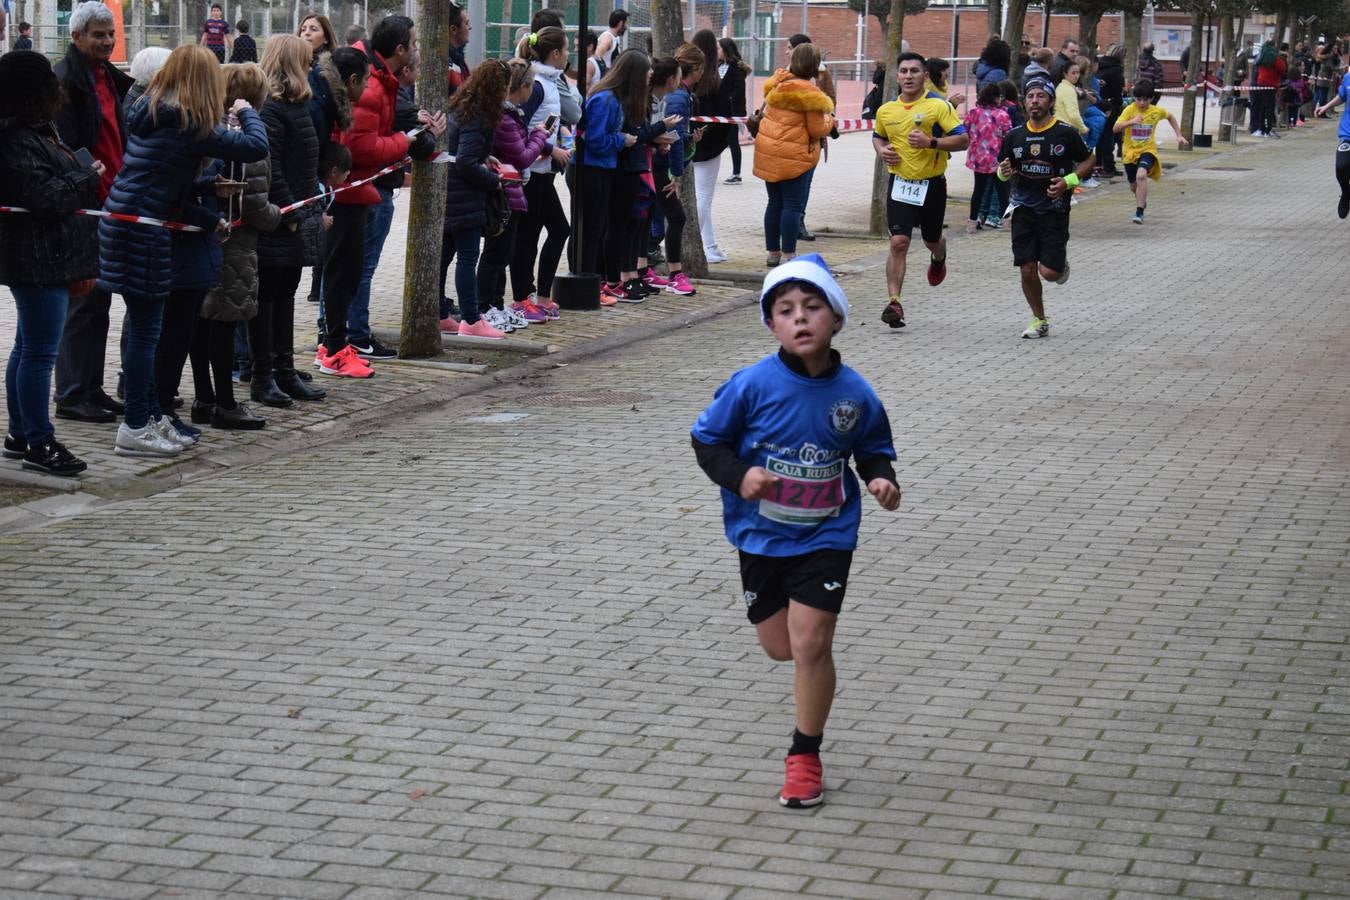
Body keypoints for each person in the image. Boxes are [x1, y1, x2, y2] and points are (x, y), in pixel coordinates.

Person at [689, 253, 899, 809]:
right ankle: (804, 718)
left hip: (827, 534)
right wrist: (740, 476)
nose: (800, 319)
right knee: (780, 647)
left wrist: (881, 481)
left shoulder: (855, 394)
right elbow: (707, 441)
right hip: (759, 535)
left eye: (812, 307)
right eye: (785, 310)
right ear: (770, 324)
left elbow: (873, 450)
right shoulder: (751, 385)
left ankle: (804, 756)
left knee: (812, 642)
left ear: (836, 318)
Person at [98, 44, 269, 457]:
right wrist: (247, 110)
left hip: (131, 223)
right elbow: (254, 146)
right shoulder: (188, 122)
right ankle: (137, 424)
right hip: (141, 230)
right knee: (144, 335)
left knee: (147, 333)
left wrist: (207, 193)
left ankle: (150, 414)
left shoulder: (157, 113)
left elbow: (163, 175)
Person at [0, 51, 104, 477]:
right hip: (38, 259)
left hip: (47, 256)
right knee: (40, 354)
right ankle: (39, 441)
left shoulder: (35, 131)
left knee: (28, 348)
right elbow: (45, 199)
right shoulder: (17, 140)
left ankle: (21, 433)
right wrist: (87, 176)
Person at [320, 14, 441, 375]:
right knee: (344, 273)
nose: (417, 50)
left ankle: (338, 344)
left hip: (358, 190)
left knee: (351, 271)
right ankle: (334, 346)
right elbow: (362, 147)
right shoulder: (370, 85)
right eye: (415, 44)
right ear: (400, 49)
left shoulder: (379, 80)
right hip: (348, 192)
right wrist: (404, 142)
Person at [51, 1, 133, 425]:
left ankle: (91, 387)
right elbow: (63, 144)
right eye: (98, 35)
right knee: (82, 303)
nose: (106, 41)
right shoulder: (65, 82)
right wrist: (88, 180)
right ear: (76, 36)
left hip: (111, 204)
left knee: (99, 303)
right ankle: (71, 393)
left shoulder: (108, 78)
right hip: (86, 207)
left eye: (110, 34)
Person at [191, 62, 280, 430]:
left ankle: (203, 397)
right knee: (225, 323)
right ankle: (226, 404)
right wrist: (279, 217)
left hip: (203, 240)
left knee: (201, 319)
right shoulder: (247, 139)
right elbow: (256, 205)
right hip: (237, 244)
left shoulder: (206, 130)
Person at [254, 33, 329, 404]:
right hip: (281, 218)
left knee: (285, 295)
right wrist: (292, 213)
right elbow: (272, 167)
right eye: (307, 59)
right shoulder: (271, 108)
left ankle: (284, 369)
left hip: (296, 211)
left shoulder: (297, 105)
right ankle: (263, 374)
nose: (312, 64)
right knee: (268, 297)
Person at [871, 51, 969, 329]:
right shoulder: (886, 110)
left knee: (931, 240)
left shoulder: (939, 107)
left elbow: (963, 139)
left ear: (925, 76)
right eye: (904, 71)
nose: (908, 76)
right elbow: (878, 137)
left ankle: (939, 256)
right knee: (898, 242)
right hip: (900, 183)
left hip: (931, 184)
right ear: (897, 76)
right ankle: (894, 302)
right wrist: (882, 151)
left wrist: (931, 143)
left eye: (915, 71)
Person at [996, 76, 1094, 339]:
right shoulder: (1013, 136)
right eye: (1030, 96)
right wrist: (1003, 172)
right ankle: (1039, 318)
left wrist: (1067, 182)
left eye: (1041, 96)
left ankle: (1059, 264)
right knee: (1027, 268)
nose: (1035, 101)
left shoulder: (1065, 133)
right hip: (1023, 209)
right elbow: (1003, 172)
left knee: (1049, 273)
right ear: (1024, 102)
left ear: (1050, 101)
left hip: (1055, 210)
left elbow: (1088, 161)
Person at [477, 58, 551, 331]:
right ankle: (485, 306)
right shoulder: (505, 119)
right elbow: (521, 157)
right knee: (495, 254)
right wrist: (540, 137)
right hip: (505, 192)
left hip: (512, 191)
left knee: (503, 254)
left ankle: (496, 304)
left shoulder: (511, 116)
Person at [508, 26, 576, 321]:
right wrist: (550, 150)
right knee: (530, 236)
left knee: (558, 229)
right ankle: (522, 298)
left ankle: (541, 296)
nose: (570, 54)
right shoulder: (536, 84)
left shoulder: (550, 81)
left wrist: (558, 134)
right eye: (567, 48)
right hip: (532, 171)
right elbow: (519, 127)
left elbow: (544, 121)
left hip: (543, 171)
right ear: (556, 54)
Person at [442, 60, 509, 338]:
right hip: (465, 197)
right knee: (468, 258)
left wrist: (485, 157)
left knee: (444, 257)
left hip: (451, 193)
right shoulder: (479, 116)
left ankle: (439, 313)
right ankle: (471, 319)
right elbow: (466, 163)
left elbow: (462, 152)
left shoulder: (460, 106)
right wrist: (494, 182)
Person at [754, 42, 835, 268]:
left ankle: (773, 252)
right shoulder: (811, 94)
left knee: (774, 203)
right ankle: (789, 254)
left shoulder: (776, 85)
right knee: (792, 205)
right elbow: (817, 129)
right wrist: (831, 119)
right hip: (796, 156)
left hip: (770, 151)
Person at [569, 50, 640, 297]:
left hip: (601, 168)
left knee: (597, 228)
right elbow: (596, 140)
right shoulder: (606, 100)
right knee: (589, 230)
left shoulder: (614, 99)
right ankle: (586, 281)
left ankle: (594, 281)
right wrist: (622, 140)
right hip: (589, 168)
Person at [639, 45, 698, 296]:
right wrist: (676, 171)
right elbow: (653, 134)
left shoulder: (662, 100)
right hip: (652, 168)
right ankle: (674, 274)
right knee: (676, 217)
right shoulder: (672, 100)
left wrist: (663, 142)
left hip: (654, 164)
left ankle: (642, 270)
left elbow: (663, 135)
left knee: (649, 218)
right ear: (671, 78)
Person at [1113, 80, 1189, 224]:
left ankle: (1139, 211)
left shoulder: (1156, 111)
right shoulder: (1129, 110)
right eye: (1138, 99)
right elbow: (1115, 128)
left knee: (1141, 175)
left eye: (1145, 100)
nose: (1141, 103)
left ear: (1151, 98)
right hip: (1129, 152)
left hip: (1148, 150)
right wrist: (1131, 122)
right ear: (1134, 98)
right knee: (1133, 185)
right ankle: (1142, 199)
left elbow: (1170, 117)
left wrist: (1178, 135)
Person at [689, 29, 731, 263]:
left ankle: (709, 245)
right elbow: (725, 113)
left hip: (694, 142)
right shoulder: (714, 82)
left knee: (702, 196)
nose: (718, 49)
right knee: (703, 195)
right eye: (715, 46)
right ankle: (691, 242)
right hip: (708, 145)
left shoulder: (694, 80)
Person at [964, 83, 1012, 233]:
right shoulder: (1002, 115)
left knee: (978, 191)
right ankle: (1006, 223)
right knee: (1003, 191)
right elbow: (1009, 135)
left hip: (978, 158)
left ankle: (972, 223)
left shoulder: (972, 113)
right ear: (997, 98)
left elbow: (964, 131)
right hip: (997, 159)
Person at [1313, 66, 1350, 218]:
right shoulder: (1349, 77)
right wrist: (1326, 106)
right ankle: (1346, 193)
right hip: (1348, 133)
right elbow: (1342, 95)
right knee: (1341, 166)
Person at [719, 38, 750, 185]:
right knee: (719, 139)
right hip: (720, 112)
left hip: (733, 112)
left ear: (725, 50)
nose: (717, 51)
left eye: (719, 49)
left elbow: (738, 92)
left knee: (733, 141)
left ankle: (736, 174)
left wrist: (725, 99)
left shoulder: (737, 68)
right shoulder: (717, 66)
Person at [1095, 44, 1125, 178]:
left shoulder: (1099, 65)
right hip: (1110, 105)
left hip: (1098, 103)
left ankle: (1098, 165)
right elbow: (1117, 91)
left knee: (1101, 136)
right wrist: (1119, 104)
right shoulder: (1116, 69)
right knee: (1109, 137)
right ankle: (1108, 167)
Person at [1251, 41, 1286, 136]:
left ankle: (1261, 128)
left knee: (1262, 106)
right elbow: (1282, 68)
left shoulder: (1261, 55)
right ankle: (1268, 129)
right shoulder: (1273, 56)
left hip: (1260, 83)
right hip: (1271, 84)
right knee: (1269, 107)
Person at [447, 1, 472, 96]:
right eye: (466, 23)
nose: (470, 28)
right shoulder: (447, 65)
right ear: (453, 29)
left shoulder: (459, 60)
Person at [594, 9, 628, 77]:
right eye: (626, 23)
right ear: (621, 23)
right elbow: (596, 56)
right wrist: (606, 73)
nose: (626, 26)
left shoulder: (614, 38)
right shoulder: (608, 38)